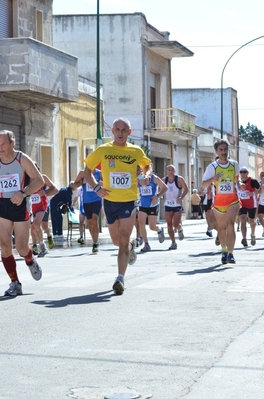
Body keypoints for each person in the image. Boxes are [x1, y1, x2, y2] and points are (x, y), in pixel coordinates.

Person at [84, 117, 151, 295]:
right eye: (117, 129)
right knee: (116, 241)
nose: (120, 133)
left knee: (122, 238)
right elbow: (87, 170)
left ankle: (120, 278)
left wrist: (147, 175)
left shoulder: (135, 151)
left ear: (129, 132)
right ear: (112, 131)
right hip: (109, 201)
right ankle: (129, 248)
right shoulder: (103, 150)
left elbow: (147, 166)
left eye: (124, 130)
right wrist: (97, 188)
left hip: (129, 200)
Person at [0, 130, 44, 297]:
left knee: (21, 247)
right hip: (2, 205)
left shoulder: (22, 159)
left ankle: (30, 259)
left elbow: (39, 180)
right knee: (4, 247)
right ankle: (15, 283)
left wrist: (24, 193)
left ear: (13, 144)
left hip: (20, 205)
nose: (0, 148)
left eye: (4, 144)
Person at [202, 139, 244, 264]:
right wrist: (213, 179)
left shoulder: (234, 164)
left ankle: (231, 253)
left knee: (231, 224)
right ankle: (224, 250)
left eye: (225, 149)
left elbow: (236, 180)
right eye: (221, 150)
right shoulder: (212, 167)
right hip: (219, 202)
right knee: (222, 228)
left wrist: (240, 184)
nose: (224, 152)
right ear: (216, 151)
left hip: (233, 200)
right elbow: (204, 184)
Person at [137, 164, 168, 252]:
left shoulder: (154, 178)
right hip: (142, 205)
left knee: (152, 226)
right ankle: (146, 244)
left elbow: (165, 187)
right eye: (137, 171)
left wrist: (157, 196)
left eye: (140, 170)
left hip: (152, 205)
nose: (139, 173)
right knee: (141, 224)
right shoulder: (137, 180)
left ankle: (159, 230)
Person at [31, 164, 59, 256]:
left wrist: (45, 192)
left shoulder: (43, 178)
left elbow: (55, 189)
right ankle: (35, 246)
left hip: (42, 206)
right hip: (31, 206)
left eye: (36, 169)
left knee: (41, 225)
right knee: (33, 227)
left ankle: (44, 244)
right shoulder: (27, 179)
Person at [73, 168, 102, 252]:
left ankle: (95, 243)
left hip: (97, 199)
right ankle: (94, 240)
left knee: (94, 219)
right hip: (86, 201)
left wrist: (101, 184)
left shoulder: (99, 173)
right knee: (90, 223)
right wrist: (82, 182)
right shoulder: (82, 173)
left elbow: (107, 184)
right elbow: (74, 185)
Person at [162, 164, 189, 250]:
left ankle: (180, 229)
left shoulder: (179, 179)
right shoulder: (164, 180)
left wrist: (181, 197)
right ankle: (173, 242)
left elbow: (186, 189)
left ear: (175, 171)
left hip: (177, 204)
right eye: (169, 169)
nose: (170, 171)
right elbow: (159, 189)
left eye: (172, 169)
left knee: (175, 224)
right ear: (166, 171)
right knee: (169, 225)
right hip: (168, 204)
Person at [237, 166, 260, 247]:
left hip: (252, 204)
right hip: (242, 204)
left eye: (244, 172)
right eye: (241, 172)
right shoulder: (238, 182)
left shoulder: (253, 181)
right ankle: (244, 238)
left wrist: (253, 193)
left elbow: (260, 190)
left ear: (247, 173)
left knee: (251, 220)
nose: (243, 174)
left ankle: (253, 234)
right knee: (242, 219)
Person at [257, 171, 264, 238]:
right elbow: (258, 192)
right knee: (260, 218)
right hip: (262, 203)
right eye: (261, 175)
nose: (262, 176)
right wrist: (262, 184)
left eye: (263, 175)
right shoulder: (259, 183)